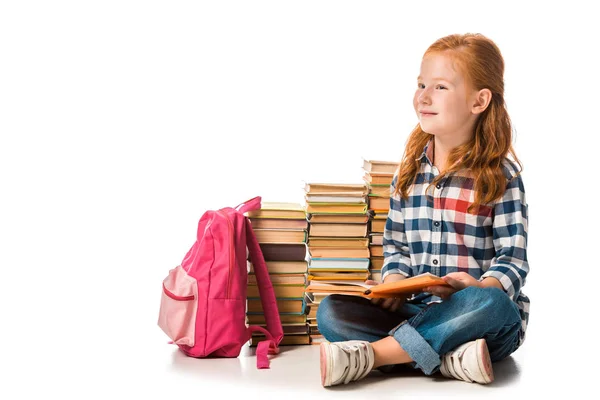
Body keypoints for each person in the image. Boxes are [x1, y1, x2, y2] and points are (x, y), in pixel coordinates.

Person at [316, 33, 529, 387]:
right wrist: (395, 284)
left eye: (440, 87)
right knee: (332, 312)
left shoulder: (501, 176)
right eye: (421, 84)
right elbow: (395, 245)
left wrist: (478, 285)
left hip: (470, 313)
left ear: (479, 101)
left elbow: (513, 259)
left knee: (493, 305)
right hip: (414, 310)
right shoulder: (409, 173)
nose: (423, 97)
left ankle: (375, 356)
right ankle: (453, 360)